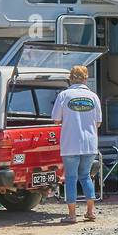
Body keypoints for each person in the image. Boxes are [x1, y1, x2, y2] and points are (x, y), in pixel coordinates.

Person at [51, 65, 102, 224]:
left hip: (70, 143)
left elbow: (56, 119)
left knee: (71, 178)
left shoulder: (64, 95)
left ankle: (72, 215)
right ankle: (90, 211)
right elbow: (98, 123)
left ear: (70, 79)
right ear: (86, 78)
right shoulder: (93, 96)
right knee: (86, 176)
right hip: (89, 143)